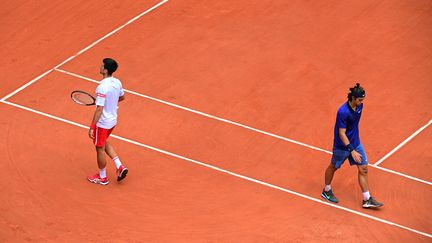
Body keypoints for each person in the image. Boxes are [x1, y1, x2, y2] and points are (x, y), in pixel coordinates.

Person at [321, 83, 383, 208]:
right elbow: (342, 133)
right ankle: (326, 190)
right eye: (360, 100)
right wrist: (352, 151)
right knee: (333, 167)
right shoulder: (342, 112)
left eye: (363, 99)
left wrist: (355, 147)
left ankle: (367, 199)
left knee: (363, 168)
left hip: (356, 142)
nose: (362, 102)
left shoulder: (360, 106)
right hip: (342, 146)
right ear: (353, 98)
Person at [87, 58, 128, 185]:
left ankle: (102, 177)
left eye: (102, 65)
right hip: (113, 120)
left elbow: (99, 109)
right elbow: (121, 97)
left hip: (103, 122)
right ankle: (119, 166)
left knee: (99, 147)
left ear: (105, 70)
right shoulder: (117, 82)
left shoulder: (102, 87)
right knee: (103, 141)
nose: (100, 66)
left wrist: (92, 127)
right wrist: (108, 102)